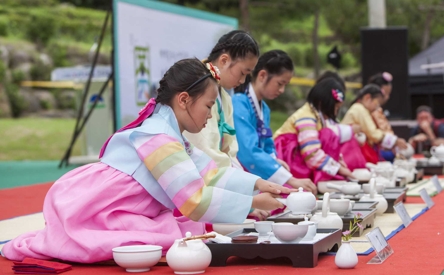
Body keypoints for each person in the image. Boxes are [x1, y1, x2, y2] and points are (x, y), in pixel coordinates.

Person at [1, 59, 292, 263]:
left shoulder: (166, 127)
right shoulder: (160, 137)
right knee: (169, 235)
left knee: (176, 234)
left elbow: (210, 173)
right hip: (95, 206)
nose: (208, 115)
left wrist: (257, 184)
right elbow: (193, 201)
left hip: (111, 201)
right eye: (206, 106)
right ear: (183, 100)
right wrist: (254, 202)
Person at [232, 50, 317, 195]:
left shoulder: (264, 109)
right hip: (240, 174)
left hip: (258, 171)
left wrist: (274, 160)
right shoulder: (238, 103)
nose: (282, 90)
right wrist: (289, 179)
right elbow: (247, 151)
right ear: (262, 75)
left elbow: (267, 144)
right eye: (280, 83)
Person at [183, 30, 259, 170]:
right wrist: (244, 181)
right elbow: (201, 149)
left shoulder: (225, 98)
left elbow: (229, 150)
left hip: (214, 172)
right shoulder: (194, 87)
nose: (242, 81)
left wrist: (243, 179)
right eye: (242, 73)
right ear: (224, 60)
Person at [274, 77, 363, 184]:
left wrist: (338, 162)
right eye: (335, 108)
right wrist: (338, 168)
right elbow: (311, 153)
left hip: (301, 156)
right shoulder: (306, 117)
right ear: (323, 103)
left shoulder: (317, 116)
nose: (335, 113)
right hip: (287, 158)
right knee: (328, 134)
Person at [341, 84, 407, 164]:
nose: (377, 107)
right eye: (377, 103)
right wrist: (395, 141)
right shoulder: (359, 109)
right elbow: (373, 134)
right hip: (350, 153)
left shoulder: (363, 109)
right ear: (367, 98)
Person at [368, 72, 396, 161]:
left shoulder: (377, 109)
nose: (387, 98)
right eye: (386, 94)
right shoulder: (371, 110)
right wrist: (394, 143)